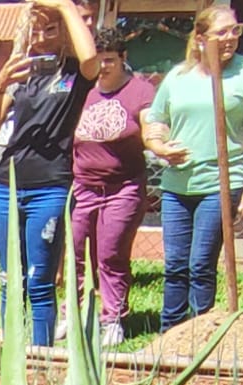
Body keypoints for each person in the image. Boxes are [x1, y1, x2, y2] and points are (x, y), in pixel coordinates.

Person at [143, 4, 243, 331]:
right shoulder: (179, 76)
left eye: (235, 30)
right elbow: (156, 120)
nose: (230, 38)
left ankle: (202, 332)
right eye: (222, 32)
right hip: (177, 184)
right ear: (200, 38)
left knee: (200, 263)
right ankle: (169, 335)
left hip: (221, 181)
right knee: (175, 265)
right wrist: (159, 147)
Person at [0, 0, 99, 345]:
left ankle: (42, 356)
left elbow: (91, 57)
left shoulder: (75, 72)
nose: (42, 37)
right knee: (10, 279)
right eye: (36, 28)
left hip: (49, 187)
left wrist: (64, 5)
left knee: (39, 280)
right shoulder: (22, 72)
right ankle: (11, 356)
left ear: (63, 30)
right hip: (8, 185)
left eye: (51, 29)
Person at [70, 25, 156, 347]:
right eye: (98, 60)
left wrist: (158, 140)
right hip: (83, 187)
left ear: (123, 58)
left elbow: (149, 125)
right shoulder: (85, 91)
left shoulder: (140, 91)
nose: (102, 67)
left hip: (122, 188)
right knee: (75, 252)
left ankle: (113, 317)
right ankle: (74, 313)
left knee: (110, 254)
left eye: (109, 60)